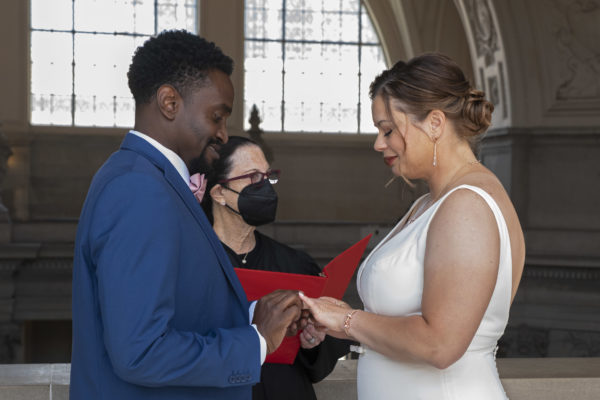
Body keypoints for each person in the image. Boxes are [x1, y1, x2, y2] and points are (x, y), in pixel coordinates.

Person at [70, 30, 304, 400]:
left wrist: (260, 315)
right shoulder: (139, 190)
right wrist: (254, 342)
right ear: (169, 102)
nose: (224, 135)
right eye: (217, 116)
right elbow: (141, 352)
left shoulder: (149, 180)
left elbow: (181, 311)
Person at [300, 53, 526, 399]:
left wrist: (349, 321)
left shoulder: (467, 206)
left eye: (387, 129)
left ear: (435, 123)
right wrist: (339, 321)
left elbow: (441, 344)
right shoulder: (431, 203)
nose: (378, 143)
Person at [201, 136, 352, 400]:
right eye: (252, 177)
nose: (266, 187)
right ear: (218, 193)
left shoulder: (295, 264)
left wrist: (313, 342)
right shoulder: (192, 262)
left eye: (267, 176)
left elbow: (320, 364)